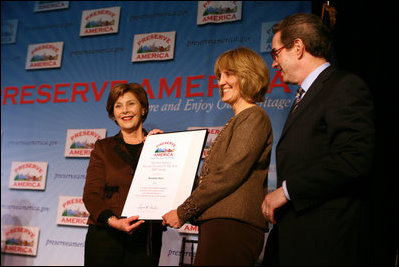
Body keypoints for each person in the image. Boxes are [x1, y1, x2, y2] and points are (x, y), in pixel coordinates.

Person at [261, 13, 375, 266]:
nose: (274, 64)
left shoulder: (343, 86)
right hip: (298, 237)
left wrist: (287, 191)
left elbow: (354, 159)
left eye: (275, 53)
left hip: (325, 241)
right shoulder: (306, 95)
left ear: (298, 47)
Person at [162, 47, 273, 266]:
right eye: (219, 76)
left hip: (233, 227)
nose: (221, 82)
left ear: (247, 74)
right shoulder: (239, 120)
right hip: (221, 225)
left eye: (229, 74)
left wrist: (183, 212)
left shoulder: (254, 117)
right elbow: (214, 177)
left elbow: (228, 174)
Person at [82, 83, 165, 266]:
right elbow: (91, 195)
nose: (125, 111)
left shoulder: (159, 145)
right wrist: (113, 221)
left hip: (144, 241)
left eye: (131, 104)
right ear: (113, 113)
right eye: (118, 106)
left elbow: (173, 187)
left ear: (143, 109)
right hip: (105, 238)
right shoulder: (102, 148)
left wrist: (159, 147)